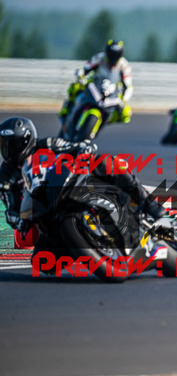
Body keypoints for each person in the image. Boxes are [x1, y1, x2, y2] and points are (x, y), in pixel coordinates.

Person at [0, 116, 165, 245]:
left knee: (104, 162)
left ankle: (148, 202)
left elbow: (72, 146)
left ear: (27, 140)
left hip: (65, 187)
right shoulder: (5, 177)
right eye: (4, 145)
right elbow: (11, 208)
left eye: (13, 145)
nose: (8, 150)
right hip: (44, 214)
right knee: (42, 262)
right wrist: (18, 220)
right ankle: (83, 249)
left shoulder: (47, 145)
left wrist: (84, 149)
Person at [59, 40, 133, 131]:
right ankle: (66, 110)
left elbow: (128, 86)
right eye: (111, 54)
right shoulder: (99, 58)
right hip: (94, 86)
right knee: (75, 87)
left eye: (116, 54)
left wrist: (124, 100)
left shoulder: (124, 65)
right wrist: (81, 77)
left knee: (126, 112)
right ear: (107, 52)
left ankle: (99, 125)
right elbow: (85, 69)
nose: (113, 57)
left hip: (110, 92)